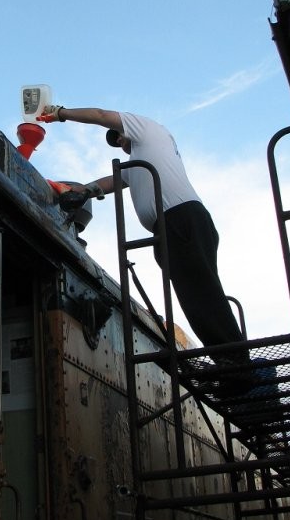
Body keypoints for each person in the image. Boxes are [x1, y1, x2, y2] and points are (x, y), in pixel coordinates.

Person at [38, 106, 247, 359]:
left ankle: (236, 365)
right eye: (116, 141)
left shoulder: (148, 130)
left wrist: (61, 113)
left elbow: (102, 117)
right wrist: (79, 190)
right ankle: (227, 359)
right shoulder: (137, 162)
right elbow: (109, 182)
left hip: (180, 220)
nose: (119, 141)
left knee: (201, 294)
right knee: (194, 296)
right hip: (171, 227)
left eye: (118, 135)